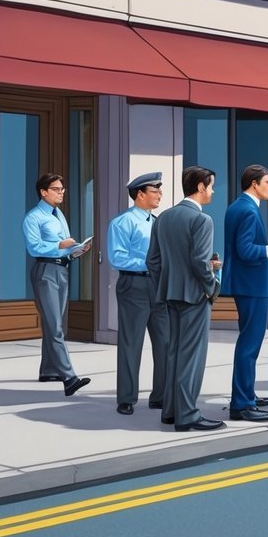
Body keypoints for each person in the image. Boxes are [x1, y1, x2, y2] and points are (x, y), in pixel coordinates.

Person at [147, 165, 224, 432]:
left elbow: (152, 261)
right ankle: (188, 414)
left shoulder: (164, 218)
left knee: (174, 353)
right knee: (191, 357)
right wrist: (211, 288)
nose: (213, 191)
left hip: (170, 295)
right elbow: (200, 262)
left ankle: (170, 411)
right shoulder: (203, 220)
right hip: (194, 296)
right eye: (211, 185)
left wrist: (165, 287)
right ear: (201, 187)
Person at [22, 173, 91, 395]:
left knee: (57, 322)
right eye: (57, 189)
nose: (61, 192)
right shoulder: (33, 218)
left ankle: (48, 370)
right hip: (45, 271)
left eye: (63, 189)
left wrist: (75, 251)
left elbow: (64, 247)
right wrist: (60, 245)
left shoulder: (58, 214)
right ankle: (69, 378)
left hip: (62, 269)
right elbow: (34, 247)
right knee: (54, 325)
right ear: (44, 192)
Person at [222, 165, 268, 423]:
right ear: (255, 184)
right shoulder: (248, 210)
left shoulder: (237, 206)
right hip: (253, 286)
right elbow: (245, 249)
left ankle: (247, 394)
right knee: (250, 345)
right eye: (267, 182)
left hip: (246, 285)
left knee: (248, 342)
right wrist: (267, 251)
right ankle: (242, 403)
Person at [107, 172, 169, 415]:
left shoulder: (157, 222)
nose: (160, 195)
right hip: (134, 286)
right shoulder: (122, 223)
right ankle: (126, 398)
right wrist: (151, 264)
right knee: (131, 343)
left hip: (159, 286)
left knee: (165, 342)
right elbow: (117, 258)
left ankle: (160, 396)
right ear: (140, 194)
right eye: (155, 191)